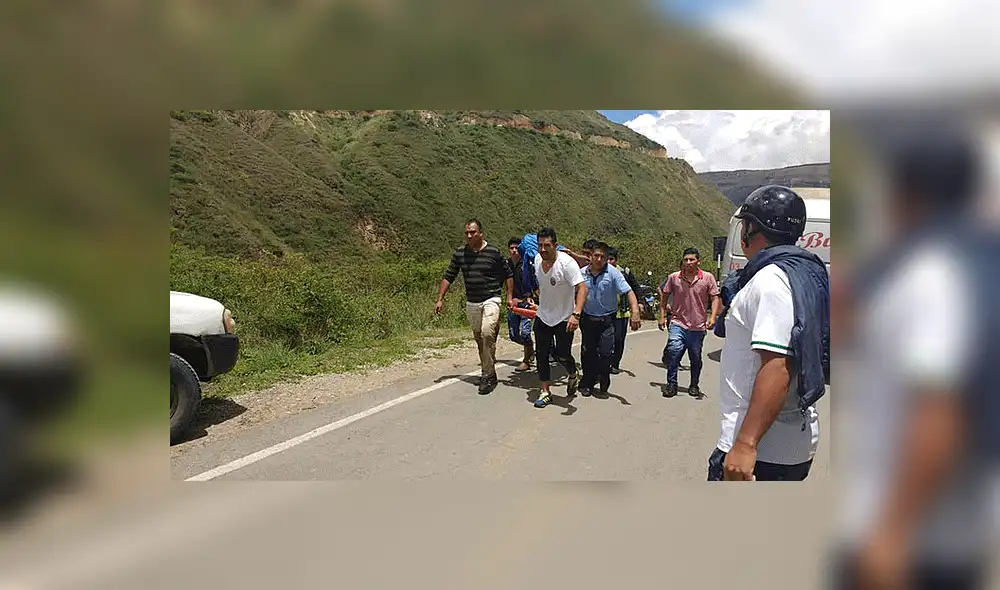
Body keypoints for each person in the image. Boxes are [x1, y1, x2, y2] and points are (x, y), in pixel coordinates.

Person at [706, 185, 829, 482]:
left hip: (764, 449)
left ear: (750, 228)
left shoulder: (771, 281)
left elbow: (778, 364)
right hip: (786, 441)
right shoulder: (807, 273)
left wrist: (746, 444)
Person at [436, 219, 514, 395]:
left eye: (473, 232)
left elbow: (508, 274)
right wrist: (440, 298)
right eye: (467, 233)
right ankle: (490, 369)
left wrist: (509, 296)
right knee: (480, 338)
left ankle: (486, 375)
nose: (469, 236)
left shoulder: (493, 252)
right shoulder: (460, 254)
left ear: (481, 233)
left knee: (487, 332)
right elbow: (449, 275)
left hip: (491, 298)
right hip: (472, 301)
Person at [531, 227, 586, 409]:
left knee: (562, 354)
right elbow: (542, 286)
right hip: (543, 316)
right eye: (540, 245)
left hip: (564, 318)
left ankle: (572, 373)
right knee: (542, 354)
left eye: (547, 245)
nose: (543, 249)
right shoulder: (537, 260)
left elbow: (582, 288)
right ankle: (545, 391)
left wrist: (576, 314)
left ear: (555, 245)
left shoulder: (567, 264)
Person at [579, 242, 641, 396]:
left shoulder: (613, 273)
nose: (599, 259)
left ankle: (604, 375)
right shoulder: (581, 273)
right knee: (588, 352)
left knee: (606, 353)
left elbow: (629, 291)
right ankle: (587, 382)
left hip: (607, 320)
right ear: (591, 257)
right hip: (587, 319)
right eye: (596, 256)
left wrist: (635, 311)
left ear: (606, 258)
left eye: (602, 257)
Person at [658, 248, 721, 398]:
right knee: (673, 351)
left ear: (698, 261)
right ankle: (671, 384)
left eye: (692, 260)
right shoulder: (674, 277)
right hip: (678, 322)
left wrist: (712, 318)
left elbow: (715, 298)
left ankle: (694, 385)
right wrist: (662, 316)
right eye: (686, 260)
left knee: (695, 357)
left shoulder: (707, 278)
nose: (688, 263)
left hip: (697, 326)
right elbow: (664, 296)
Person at [607, 246, 641, 374]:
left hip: (622, 313)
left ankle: (615, 363)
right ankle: (604, 363)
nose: (609, 262)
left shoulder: (624, 272)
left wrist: (639, 305)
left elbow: (635, 287)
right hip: (605, 313)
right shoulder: (599, 271)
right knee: (606, 340)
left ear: (616, 260)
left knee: (619, 339)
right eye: (607, 259)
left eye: (612, 259)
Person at [506, 236, 537, 371]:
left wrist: (529, 297)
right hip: (511, 303)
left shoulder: (527, 264)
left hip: (526, 302)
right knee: (513, 335)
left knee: (525, 332)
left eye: (516, 248)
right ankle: (531, 349)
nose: (514, 251)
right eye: (511, 248)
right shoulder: (506, 264)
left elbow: (534, 282)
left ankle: (527, 360)